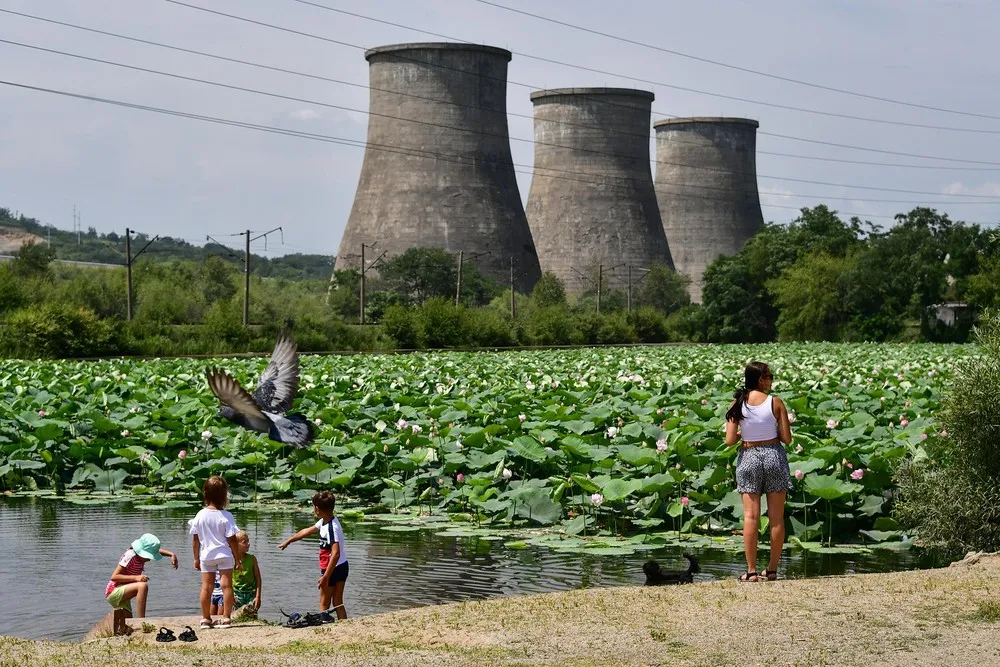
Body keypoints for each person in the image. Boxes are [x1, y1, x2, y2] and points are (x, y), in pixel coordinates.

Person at [725, 361, 793, 583]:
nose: (772, 380)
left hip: (749, 456)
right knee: (776, 518)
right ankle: (772, 570)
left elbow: (729, 440)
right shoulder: (776, 403)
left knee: (750, 516)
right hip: (774, 455)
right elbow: (787, 439)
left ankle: (752, 571)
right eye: (769, 376)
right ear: (760, 379)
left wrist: (745, 434)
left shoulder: (737, 404)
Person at [278, 491, 349, 619]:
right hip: (343, 565)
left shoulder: (331, 528)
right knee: (337, 602)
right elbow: (307, 531)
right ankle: (345, 625)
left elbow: (336, 553)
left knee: (324, 603)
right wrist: (289, 541)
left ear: (317, 508)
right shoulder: (325, 521)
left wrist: (326, 576)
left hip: (332, 568)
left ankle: (323, 628)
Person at [189, 475, 241, 629]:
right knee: (227, 586)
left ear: (205, 493)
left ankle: (205, 619)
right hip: (224, 555)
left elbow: (195, 540)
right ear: (224, 495)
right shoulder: (226, 516)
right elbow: (232, 540)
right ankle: (226, 618)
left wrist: (196, 558)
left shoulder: (200, 515)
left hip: (206, 555)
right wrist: (237, 559)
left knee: (206, 587)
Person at [105, 533, 179, 634]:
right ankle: (142, 620)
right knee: (142, 586)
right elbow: (114, 576)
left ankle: (122, 631)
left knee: (128, 627)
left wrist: (171, 554)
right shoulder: (130, 555)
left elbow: (159, 552)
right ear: (142, 552)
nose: (150, 559)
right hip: (114, 591)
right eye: (149, 556)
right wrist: (136, 577)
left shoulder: (140, 556)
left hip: (124, 594)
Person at [232, 530, 263, 617]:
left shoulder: (252, 559)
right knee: (236, 617)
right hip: (237, 594)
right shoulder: (231, 560)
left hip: (251, 594)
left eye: (248, 541)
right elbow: (227, 579)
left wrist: (258, 596)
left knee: (252, 616)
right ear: (236, 544)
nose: (248, 544)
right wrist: (231, 595)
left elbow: (258, 579)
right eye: (244, 542)